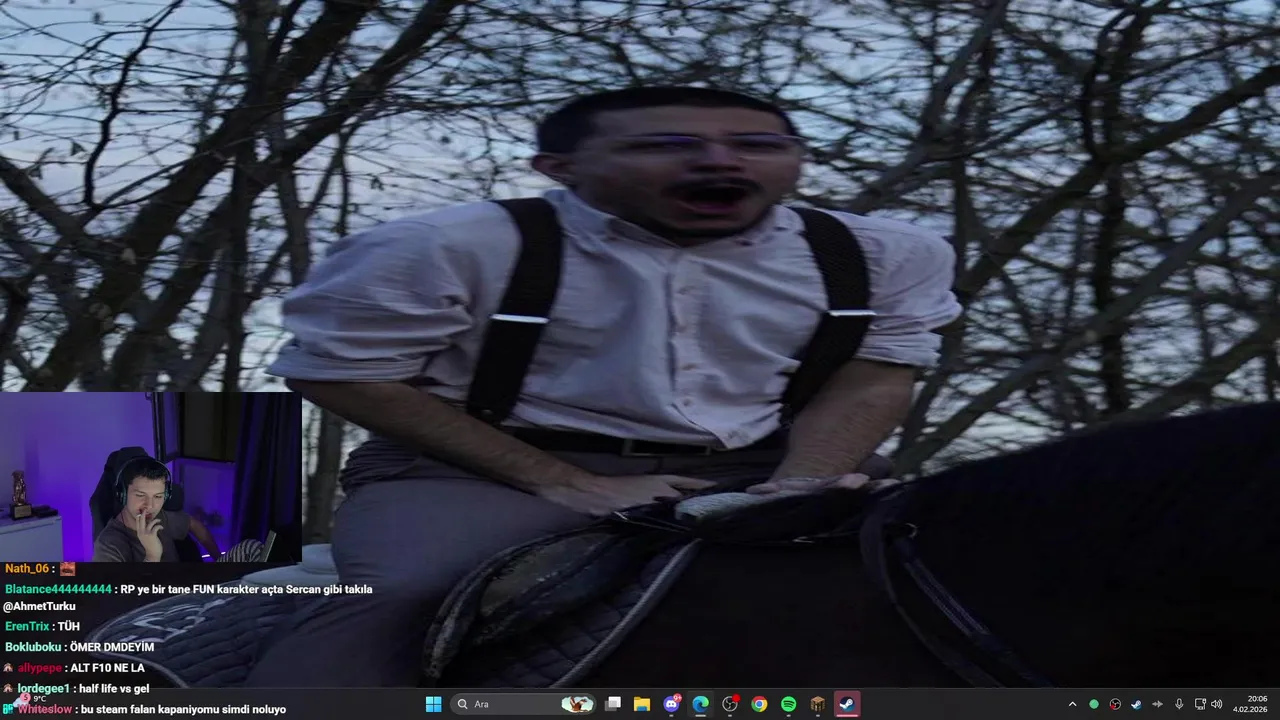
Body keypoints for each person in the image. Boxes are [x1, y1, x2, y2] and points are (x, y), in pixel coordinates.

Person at [254, 85, 962, 686]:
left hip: (759, 462)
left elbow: (873, 376)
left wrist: (803, 483)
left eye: (757, 144)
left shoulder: (884, 254)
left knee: (959, 571)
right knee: (405, 593)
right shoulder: (441, 247)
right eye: (665, 145)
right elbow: (341, 374)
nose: (720, 161)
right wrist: (567, 483)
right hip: (480, 472)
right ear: (559, 167)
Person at [91, 457, 225, 563]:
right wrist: (152, 556)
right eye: (140, 495)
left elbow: (193, 524)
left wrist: (219, 559)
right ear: (122, 495)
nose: (150, 506)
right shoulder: (107, 546)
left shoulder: (161, 517)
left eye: (158, 496)